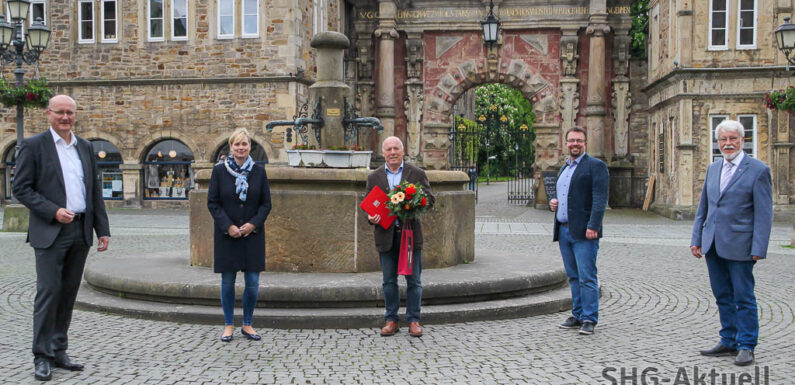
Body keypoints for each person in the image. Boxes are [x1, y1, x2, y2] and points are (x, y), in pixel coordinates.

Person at [12, 95, 111, 381]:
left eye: (70, 113)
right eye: (60, 112)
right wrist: (53, 211)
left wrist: (102, 230)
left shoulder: (86, 147)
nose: (65, 117)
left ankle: (58, 351)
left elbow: (94, 191)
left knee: (68, 294)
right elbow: (22, 189)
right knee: (49, 292)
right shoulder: (33, 146)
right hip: (51, 231)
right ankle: (41, 356)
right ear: (49, 114)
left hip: (80, 230)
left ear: (75, 115)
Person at [690, 119, 772, 366]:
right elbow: (704, 206)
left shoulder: (758, 170)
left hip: (741, 246)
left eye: (732, 139)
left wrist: (759, 248)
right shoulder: (713, 168)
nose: (728, 144)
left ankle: (747, 344)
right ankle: (728, 339)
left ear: (742, 140)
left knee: (743, 296)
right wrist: (697, 239)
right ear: (718, 142)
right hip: (713, 243)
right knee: (722, 294)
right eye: (723, 140)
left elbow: (764, 214)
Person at [207, 128, 272, 342]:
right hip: (228, 236)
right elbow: (213, 203)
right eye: (237, 144)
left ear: (250, 147)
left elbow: (266, 204)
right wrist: (228, 226)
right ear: (231, 147)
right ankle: (228, 325)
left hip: (252, 236)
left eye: (244, 144)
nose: (241, 148)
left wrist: (253, 224)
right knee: (228, 282)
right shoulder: (219, 171)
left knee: (252, 282)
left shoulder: (259, 172)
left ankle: (247, 323)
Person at [365, 136, 434, 337]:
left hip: (410, 235)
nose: (393, 152)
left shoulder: (417, 173)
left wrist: (415, 204)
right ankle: (391, 319)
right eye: (389, 149)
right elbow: (369, 205)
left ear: (402, 151)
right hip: (386, 235)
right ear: (383, 153)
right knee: (388, 281)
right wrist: (371, 217)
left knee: (414, 280)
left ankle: (414, 320)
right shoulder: (374, 177)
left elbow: (430, 200)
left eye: (396, 148)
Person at [548, 126, 609, 335]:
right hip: (564, 230)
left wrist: (594, 225)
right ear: (566, 143)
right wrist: (554, 203)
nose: (575, 144)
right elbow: (566, 196)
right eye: (571, 140)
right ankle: (577, 313)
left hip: (585, 232)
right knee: (573, 276)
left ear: (585, 143)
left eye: (579, 140)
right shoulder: (564, 169)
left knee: (587, 276)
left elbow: (600, 199)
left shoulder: (596, 166)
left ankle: (589, 319)